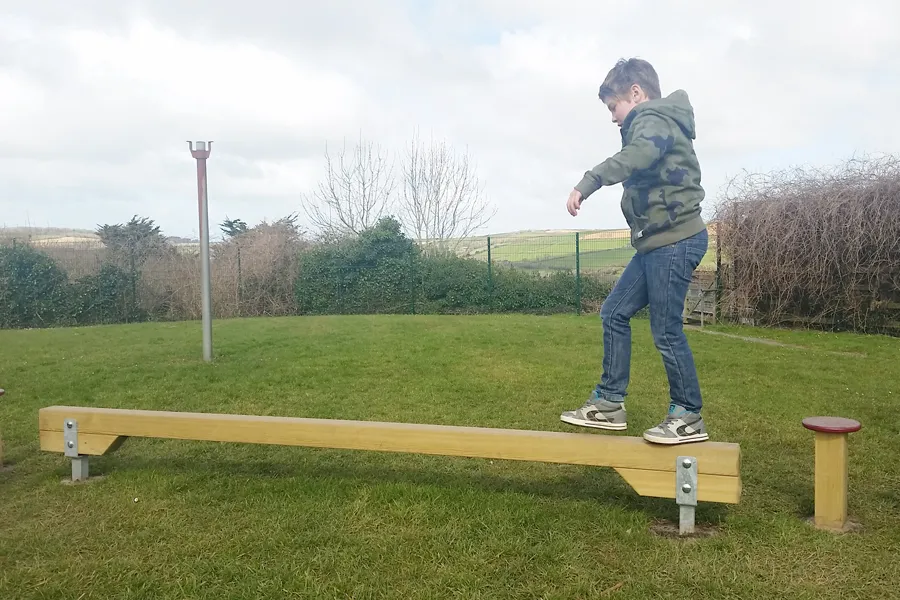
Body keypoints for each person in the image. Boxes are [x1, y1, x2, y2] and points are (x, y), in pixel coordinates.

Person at [559, 58, 710, 445]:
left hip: (674, 240)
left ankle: (687, 414)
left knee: (665, 328)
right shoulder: (654, 121)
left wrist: (588, 182)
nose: (613, 118)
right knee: (614, 312)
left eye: (614, 107)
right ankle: (609, 403)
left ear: (636, 93)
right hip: (655, 243)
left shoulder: (652, 118)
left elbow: (637, 156)